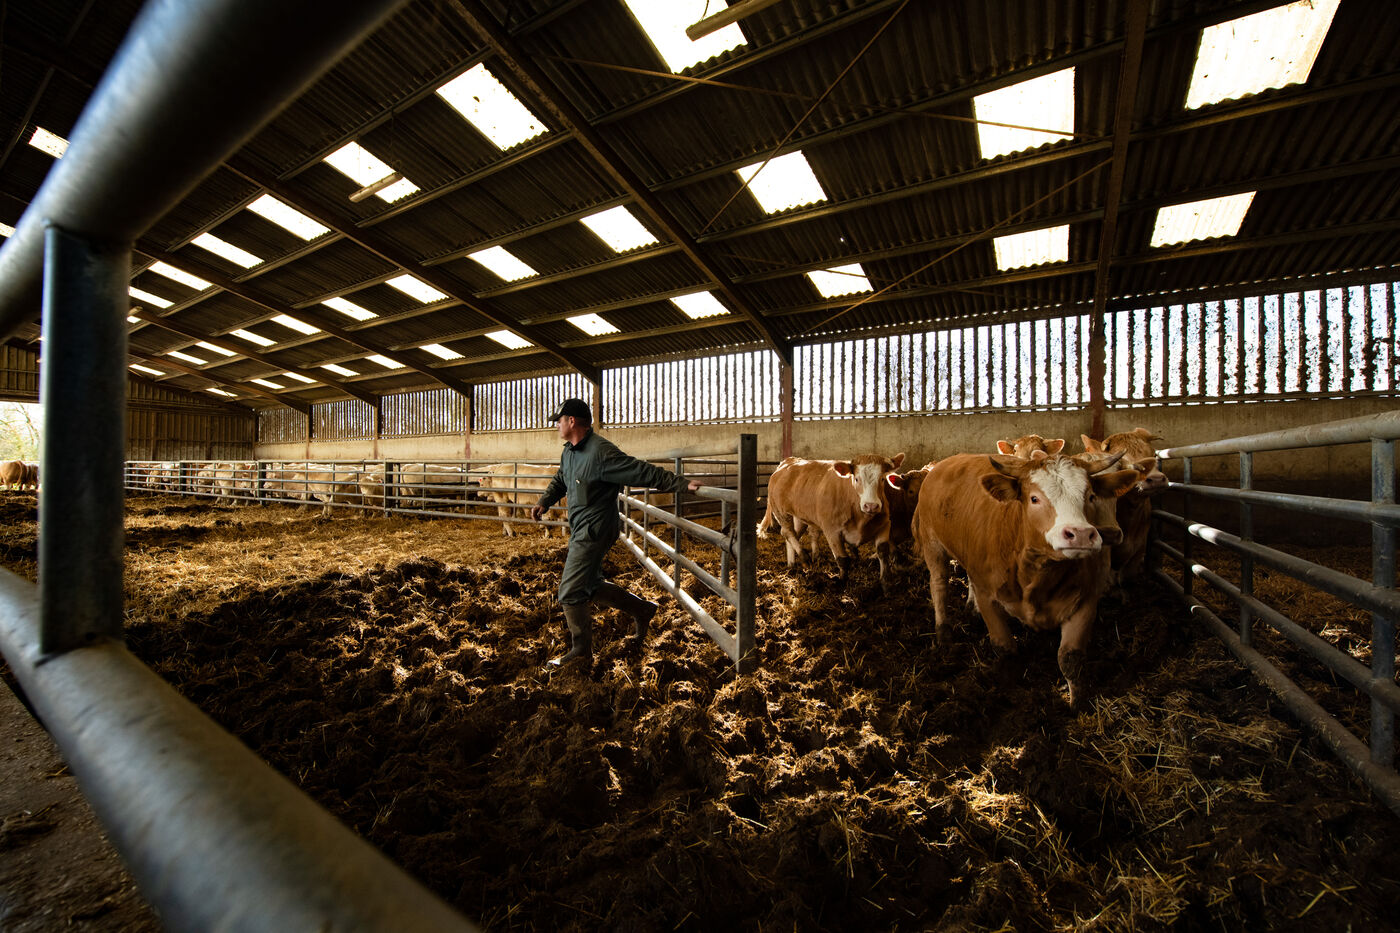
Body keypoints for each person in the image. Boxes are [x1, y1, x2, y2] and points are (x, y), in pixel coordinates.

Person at [530, 398, 702, 667]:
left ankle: (581, 652)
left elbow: (639, 470)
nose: (557, 426)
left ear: (571, 421)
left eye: (559, 420)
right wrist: (545, 501)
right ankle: (642, 609)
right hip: (581, 527)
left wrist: (680, 483)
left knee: (570, 591)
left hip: (595, 530)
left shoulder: (601, 452)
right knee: (589, 586)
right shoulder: (570, 452)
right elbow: (561, 478)